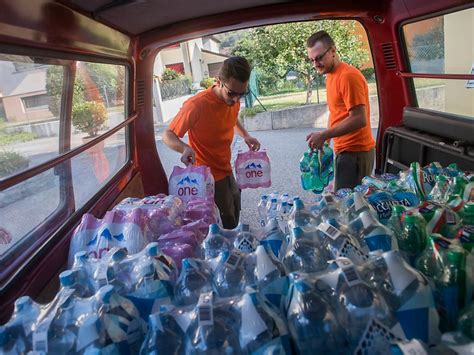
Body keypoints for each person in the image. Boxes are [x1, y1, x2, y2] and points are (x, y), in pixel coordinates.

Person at [162, 56, 261, 229]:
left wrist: (245, 135)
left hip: (227, 168)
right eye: (232, 93)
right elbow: (167, 135)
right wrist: (184, 148)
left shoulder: (232, 99)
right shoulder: (197, 105)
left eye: (242, 94)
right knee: (224, 222)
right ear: (219, 81)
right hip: (207, 177)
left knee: (235, 207)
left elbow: (232, 118)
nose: (237, 100)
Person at [305, 30, 375, 191]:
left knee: (349, 208)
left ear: (333, 51)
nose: (315, 64)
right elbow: (337, 112)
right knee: (344, 203)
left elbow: (359, 118)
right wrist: (326, 139)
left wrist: (324, 134)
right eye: (312, 60)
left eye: (319, 58)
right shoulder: (332, 76)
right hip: (344, 150)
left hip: (356, 152)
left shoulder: (348, 76)